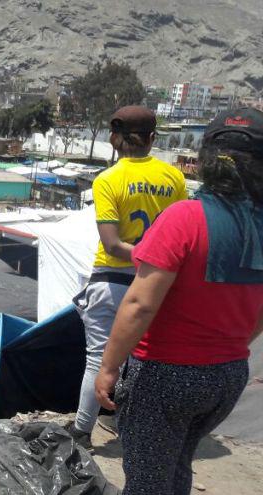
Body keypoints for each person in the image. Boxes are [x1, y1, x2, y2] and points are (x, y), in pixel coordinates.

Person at [94, 108, 263, 495]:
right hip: (228, 374)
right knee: (176, 463)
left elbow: (140, 304)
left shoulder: (184, 218)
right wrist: (232, 348)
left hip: (165, 374)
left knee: (147, 480)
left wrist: (108, 366)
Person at [68, 106, 188, 448]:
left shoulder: (108, 179)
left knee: (100, 358)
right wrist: (159, 260)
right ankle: (129, 428)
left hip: (112, 281)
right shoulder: (174, 178)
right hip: (157, 287)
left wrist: (144, 254)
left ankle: (81, 432)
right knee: (140, 361)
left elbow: (111, 243)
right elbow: (181, 234)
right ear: (152, 139)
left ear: (113, 138)